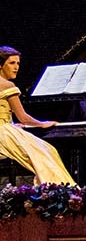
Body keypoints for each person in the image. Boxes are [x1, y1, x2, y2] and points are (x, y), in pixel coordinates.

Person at [0, 47, 75, 184]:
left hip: (5, 129)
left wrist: (10, 124)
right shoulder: (7, 85)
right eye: (12, 63)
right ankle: (55, 192)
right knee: (46, 153)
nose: (16, 67)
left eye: (18, 63)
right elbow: (23, 117)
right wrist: (42, 123)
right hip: (3, 134)